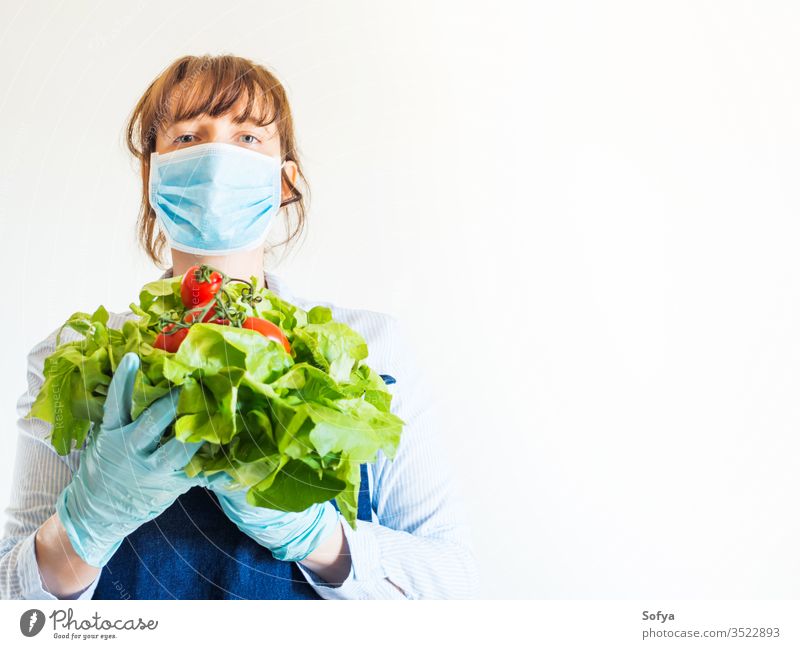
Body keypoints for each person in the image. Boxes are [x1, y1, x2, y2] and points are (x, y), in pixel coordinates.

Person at [0, 54, 479, 600]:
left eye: (248, 138)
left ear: (285, 182)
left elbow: (453, 587)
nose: (217, 157)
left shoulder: (370, 349)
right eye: (187, 137)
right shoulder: (75, 359)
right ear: (152, 178)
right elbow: (12, 611)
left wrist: (316, 537)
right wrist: (87, 526)